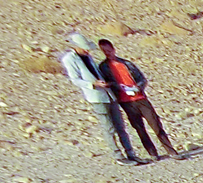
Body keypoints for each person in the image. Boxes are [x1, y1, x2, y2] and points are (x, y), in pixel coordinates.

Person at [58, 32, 143, 166]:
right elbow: (74, 79)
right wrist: (93, 84)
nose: (86, 50)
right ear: (75, 47)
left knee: (120, 126)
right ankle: (118, 155)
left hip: (109, 95)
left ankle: (131, 154)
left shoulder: (88, 57)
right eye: (83, 48)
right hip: (96, 97)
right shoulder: (69, 59)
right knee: (109, 127)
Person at [97, 38, 184, 162]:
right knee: (139, 128)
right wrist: (118, 87)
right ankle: (152, 153)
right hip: (126, 102)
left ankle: (171, 150)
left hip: (140, 98)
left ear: (113, 49)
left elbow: (141, 78)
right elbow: (107, 83)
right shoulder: (103, 67)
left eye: (108, 50)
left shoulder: (127, 64)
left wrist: (138, 87)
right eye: (104, 51)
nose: (107, 53)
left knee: (156, 125)